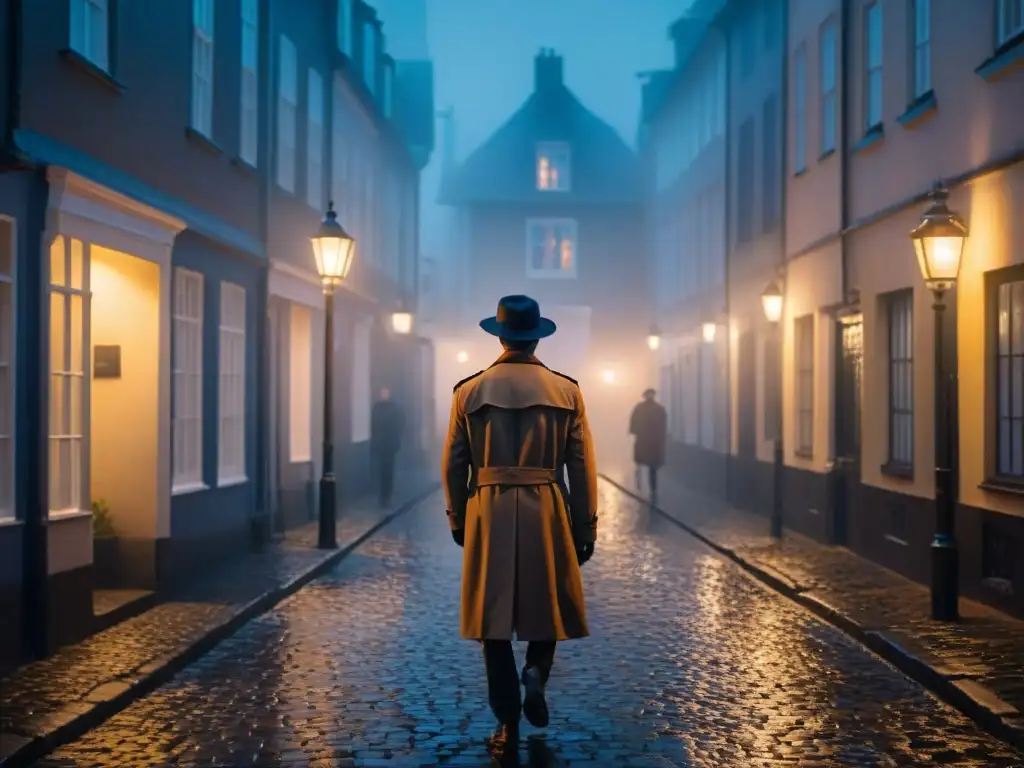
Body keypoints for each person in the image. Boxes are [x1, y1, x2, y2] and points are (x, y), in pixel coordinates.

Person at [442, 294, 598, 762]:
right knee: (546, 602)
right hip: (545, 504)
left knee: (492, 622)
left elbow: (453, 464)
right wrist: (584, 524)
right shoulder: (566, 391)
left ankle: (507, 724)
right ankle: (536, 672)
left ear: (499, 335)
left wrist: (458, 517)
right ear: (536, 337)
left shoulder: (468, 391)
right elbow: (581, 465)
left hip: (488, 506)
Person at [629, 388, 668, 498]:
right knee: (648, 464)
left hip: (648, 441)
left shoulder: (643, 408)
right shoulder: (658, 409)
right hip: (650, 441)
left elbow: (633, 424)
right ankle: (646, 486)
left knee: (648, 465)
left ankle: (650, 488)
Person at [370, 388, 405, 507]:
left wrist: (396, 440)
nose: (384, 395)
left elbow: (399, 425)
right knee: (381, 470)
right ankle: (382, 496)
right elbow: (373, 426)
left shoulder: (394, 408)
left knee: (389, 470)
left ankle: (387, 495)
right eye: (383, 393)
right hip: (381, 444)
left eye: (386, 393)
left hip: (390, 444)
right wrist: (374, 441)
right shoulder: (377, 408)